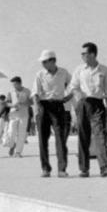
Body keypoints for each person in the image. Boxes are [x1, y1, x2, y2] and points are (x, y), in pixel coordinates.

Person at [71, 43, 107, 177]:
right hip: (83, 103)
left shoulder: (104, 70)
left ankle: (105, 167)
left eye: (84, 53)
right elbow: (73, 86)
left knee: (100, 136)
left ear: (93, 54)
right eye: (82, 54)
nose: (82, 56)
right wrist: (80, 98)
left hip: (98, 104)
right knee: (83, 136)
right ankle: (84, 168)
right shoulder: (79, 70)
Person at [33, 49, 74, 177]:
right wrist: (37, 107)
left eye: (45, 61)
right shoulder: (39, 74)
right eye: (42, 62)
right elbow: (35, 93)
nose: (43, 64)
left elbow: (73, 85)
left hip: (58, 106)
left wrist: (67, 97)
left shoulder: (63, 72)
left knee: (60, 139)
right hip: (43, 106)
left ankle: (62, 169)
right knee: (42, 140)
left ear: (53, 61)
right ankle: (45, 169)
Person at [2, 77, 32, 158]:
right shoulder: (10, 92)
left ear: (20, 83)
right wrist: (12, 105)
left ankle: (18, 152)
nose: (13, 86)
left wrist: (24, 103)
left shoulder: (27, 91)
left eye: (15, 84)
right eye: (12, 85)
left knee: (21, 134)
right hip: (13, 115)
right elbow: (7, 103)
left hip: (24, 115)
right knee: (11, 133)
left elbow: (31, 102)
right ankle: (12, 145)